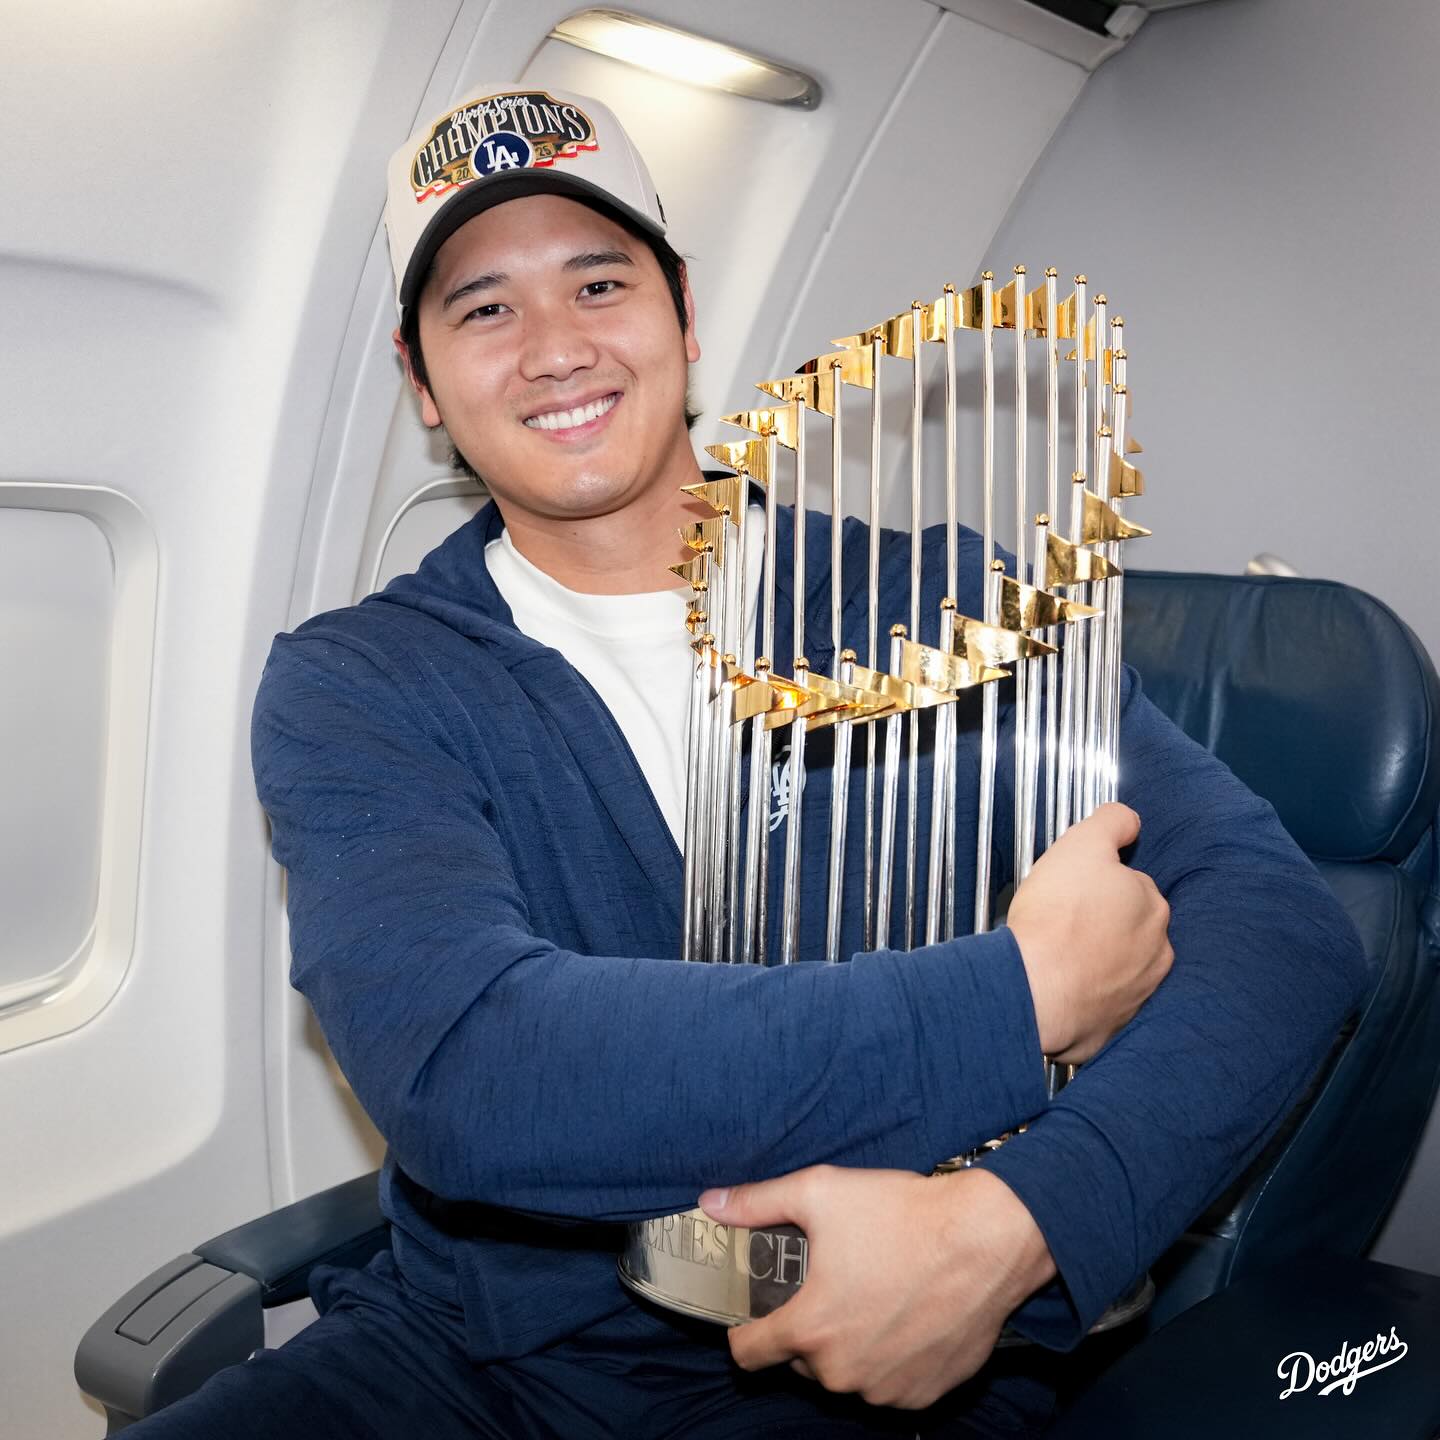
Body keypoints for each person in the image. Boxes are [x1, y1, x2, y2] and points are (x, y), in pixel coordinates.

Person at [128, 85, 1367, 1438]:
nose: (553, 347)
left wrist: (1011, 1230)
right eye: (484, 309)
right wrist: (1017, 1002)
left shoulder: (945, 607)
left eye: (600, 282)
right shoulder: (358, 683)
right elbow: (472, 1069)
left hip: (867, 1347)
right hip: (468, 1356)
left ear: (685, 321)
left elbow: (1283, 929)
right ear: (422, 381)